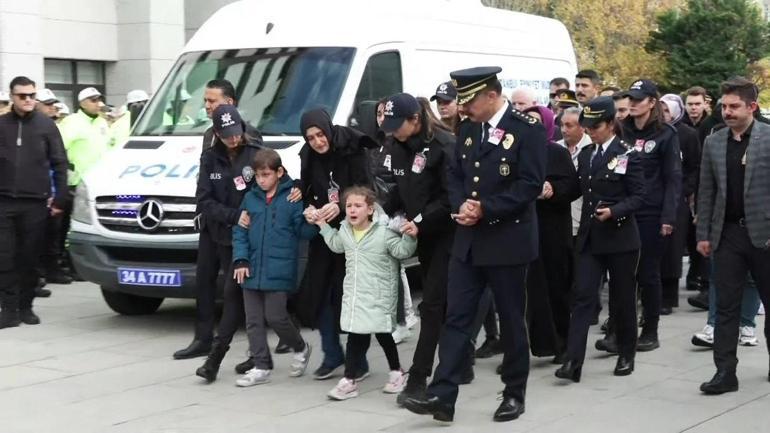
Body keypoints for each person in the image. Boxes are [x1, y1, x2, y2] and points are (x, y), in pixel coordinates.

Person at [402, 66, 547, 423]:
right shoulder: (468, 129)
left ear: (491, 96)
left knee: (512, 320)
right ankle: (442, 394)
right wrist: (460, 205)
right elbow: (454, 174)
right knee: (457, 318)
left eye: (468, 101)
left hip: (507, 240)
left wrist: (486, 208)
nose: (462, 109)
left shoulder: (527, 130)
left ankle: (514, 392)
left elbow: (530, 184)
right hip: (468, 241)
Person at [374, 93, 458, 404]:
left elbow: (450, 198)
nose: (393, 131)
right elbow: (399, 187)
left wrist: (420, 220)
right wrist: (382, 210)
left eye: (399, 125)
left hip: (450, 233)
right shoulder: (395, 146)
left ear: (416, 120)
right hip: (421, 235)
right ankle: (459, 362)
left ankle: (419, 378)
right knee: (446, 306)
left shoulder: (443, 146)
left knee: (433, 304)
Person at [554, 96, 646, 382]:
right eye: (587, 127)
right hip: (590, 238)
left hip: (620, 239)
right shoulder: (586, 155)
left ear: (609, 124)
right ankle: (573, 361)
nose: (590, 131)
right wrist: (552, 191)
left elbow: (640, 196)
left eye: (594, 126)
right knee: (582, 297)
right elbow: (577, 189)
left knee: (622, 299)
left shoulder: (628, 154)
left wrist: (616, 210)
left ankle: (626, 352)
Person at [174, 79, 265, 360]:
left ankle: (256, 345)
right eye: (206, 100)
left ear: (230, 103)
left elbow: (259, 179)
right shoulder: (208, 136)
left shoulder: (250, 137)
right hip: (211, 222)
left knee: (236, 288)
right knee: (204, 280)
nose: (206, 105)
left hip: (238, 227)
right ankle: (202, 338)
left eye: (212, 101)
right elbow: (206, 182)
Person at [696, 77, 770, 395]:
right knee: (725, 306)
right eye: (724, 106)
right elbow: (706, 190)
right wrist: (703, 234)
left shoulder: (768, 138)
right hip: (727, 235)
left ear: (751, 106)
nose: (727, 112)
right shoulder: (714, 141)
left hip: (765, 235)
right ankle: (725, 372)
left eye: (734, 106)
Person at [310, 186, 416, 400]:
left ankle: (395, 373)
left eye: (358, 206)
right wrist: (322, 224)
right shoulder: (345, 231)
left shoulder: (383, 233)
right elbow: (336, 245)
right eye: (348, 206)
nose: (352, 210)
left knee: (383, 335)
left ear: (370, 210)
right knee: (356, 336)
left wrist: (409, 236)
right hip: (355, 295)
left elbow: (402, 251)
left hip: (378, 295)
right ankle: (351, 380)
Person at [295, 108, 375, 380]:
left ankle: (358, 361)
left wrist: (339, 204)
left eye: (320, 135)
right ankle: (332, 354)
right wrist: (308, 209)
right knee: (319, 294)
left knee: (350, 298)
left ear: (329, 129)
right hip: (324, 234)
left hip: (354, 233)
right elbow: (306, 189)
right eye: (311, 138)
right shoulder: (308, 155)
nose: (318, 142)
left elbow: (366, 188)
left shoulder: (351, 147)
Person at [227, 149, 316, 386]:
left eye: (266, 175)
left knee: (276, 316)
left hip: (280, 268)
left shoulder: (291, 198)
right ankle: (261, 365)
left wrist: (314, 222)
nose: (262, 180)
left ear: (279, 172)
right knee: (253, 320)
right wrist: (241, 259)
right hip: (251, 268)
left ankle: (300, 347)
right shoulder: (251, 198)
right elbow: (240, 231)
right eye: (258, 176)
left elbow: (302, 231)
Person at [191, 105, 263, 379]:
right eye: (227, 135)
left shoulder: (254, 154)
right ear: (217, 134)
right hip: (225, 237)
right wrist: (234, 216)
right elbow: (204, 200)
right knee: (236, 296)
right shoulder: (210, 159)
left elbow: (273, 185)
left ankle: (219, 359)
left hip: (252, 237)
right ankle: (231, 357)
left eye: (236, 133)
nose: (233, 139)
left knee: (243, 297)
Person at [0, 76, 69, 328]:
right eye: (22, 96)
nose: (28, 100)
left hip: (35, 203)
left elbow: (60, 162)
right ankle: (8, 309)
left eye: (32, 95)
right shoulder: (2, 125)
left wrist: (61, 197)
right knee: (5, 257)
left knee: (29, 258)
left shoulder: (46, 126)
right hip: (4, 202)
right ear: (12, 97)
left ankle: (26, 306)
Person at [620, 79, 682, 352]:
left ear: (651, 102)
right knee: (623, 274)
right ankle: (621, 328)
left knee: (648, 273)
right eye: (630, 99)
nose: (632, 103)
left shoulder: (666, 134)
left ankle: (651, 329)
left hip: (651, 212)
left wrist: (668, 217)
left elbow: (673, 179)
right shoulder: (621, 130)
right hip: (623, 210)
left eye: (638, 99)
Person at [522, 105, 579, 362]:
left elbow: (572, 186)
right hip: (525, 228)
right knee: (531, 292)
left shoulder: (556, 152)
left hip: (553, 230)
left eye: (536, 121)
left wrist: (552, 188)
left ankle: (564, 342)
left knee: (557, 286)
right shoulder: (518, 151)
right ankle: (541, 343)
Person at [58, 87, 114, 281]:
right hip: (78, 183)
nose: (97, 103)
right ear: (82, 102)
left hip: (101, 183)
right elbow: (59, 147)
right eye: (92, 100)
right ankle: (71, 264)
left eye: (98, 99)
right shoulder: (72, 122)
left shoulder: (102, 123)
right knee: (76, 226)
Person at [659, 94, 701, 314]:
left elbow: (694, 167)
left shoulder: (687, 134)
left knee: (673, 248)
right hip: (656, 197)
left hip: (678, 198)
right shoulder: (655, 133)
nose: (663, 115)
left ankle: (668, 297)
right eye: (660, 110)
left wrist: (685, 190)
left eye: (667, 110)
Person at [558, 106, 593, 238]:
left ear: (582, 127)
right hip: (561, 220)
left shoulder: (592, 149)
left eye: (569, 125)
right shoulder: (556, 148)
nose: (563, 130)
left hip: (584, 221)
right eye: (561, 125)